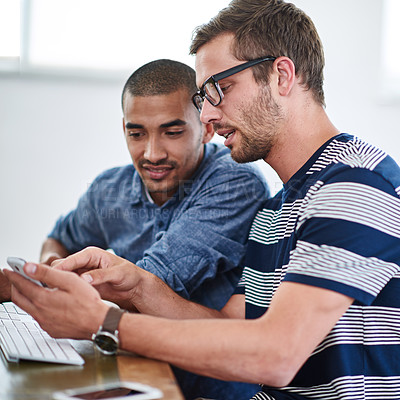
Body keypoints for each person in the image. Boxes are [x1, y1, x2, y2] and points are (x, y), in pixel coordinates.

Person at [5, 1, 400, 399]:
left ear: (282, 75)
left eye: (220, 89)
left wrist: (105, 322)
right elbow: (230, 324)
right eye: (203, 97)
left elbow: (275, 357)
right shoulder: (276, 209)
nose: (208, 115)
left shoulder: (355, 185)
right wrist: (137, 283)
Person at [1, 59, 268, 399]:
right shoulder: (110, 189)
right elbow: (59, 238)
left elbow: (148, 282)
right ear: (123, 128)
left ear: (206, 127)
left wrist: (25, 285)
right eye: (136, 133)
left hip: (213, 385)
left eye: (172, 132)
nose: (152, 153)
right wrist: (52, 267)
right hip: (131, 370)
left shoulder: (235, 183)